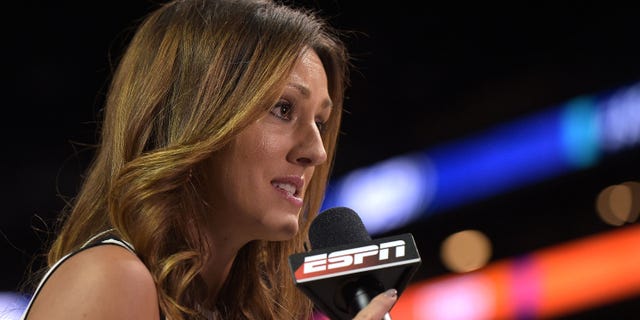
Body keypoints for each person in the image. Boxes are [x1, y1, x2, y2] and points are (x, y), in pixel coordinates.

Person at [19, 0, 398, 319]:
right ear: (195, 117)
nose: (317, 152)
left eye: (320, 121)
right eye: (283, 109)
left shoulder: (227, 306)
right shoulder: (113, 279)